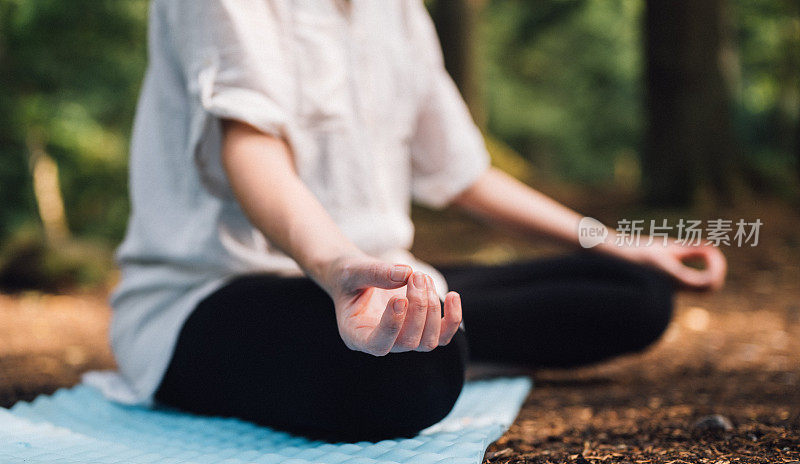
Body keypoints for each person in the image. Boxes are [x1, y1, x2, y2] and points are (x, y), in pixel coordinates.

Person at [101, 0, 727, 442]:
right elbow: (250, 149)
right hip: (211, 293)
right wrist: (338, 265)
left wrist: (616, 241)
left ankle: (447, 334)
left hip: (378, 287)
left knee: (636, 291)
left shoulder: (397, 9)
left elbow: (464, 174)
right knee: (412, 374)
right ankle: (445, 342)